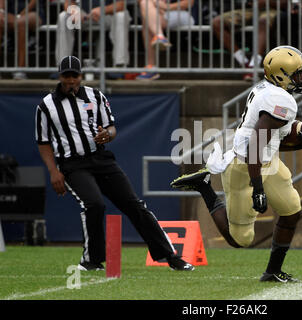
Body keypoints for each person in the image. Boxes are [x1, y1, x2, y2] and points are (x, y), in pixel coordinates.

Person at [35, 55, 194, 272]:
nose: (70, 80)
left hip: (100, 159)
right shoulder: (46, 106)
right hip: (72, 164)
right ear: (60, 76)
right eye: (66, 76)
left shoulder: (95, 96)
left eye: (74, 76)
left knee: (133, 204)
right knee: (94, 204)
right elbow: (43, 141)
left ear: (81, 76)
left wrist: (107, 135)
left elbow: (111, 127)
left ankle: (170, 256)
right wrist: (53, 171)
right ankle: (91, 260)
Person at [171, 46, 302, 282]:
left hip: (267, 160)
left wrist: (297, 129)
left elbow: (272, 132)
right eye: (298, 73)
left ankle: (272, 272)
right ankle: (205, 186)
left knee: (291, 210)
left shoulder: (270, 90)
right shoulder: (279, 99)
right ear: (281, 75)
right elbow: (257, 143)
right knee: (239, 240)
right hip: (247, 165)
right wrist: (257, 187)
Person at [212, 0, 283, 81]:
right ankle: (244, 62)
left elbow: (286, 3)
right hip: (251, 10)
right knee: (217, 22)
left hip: (273, 10)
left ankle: (254, 65)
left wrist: (266, 2)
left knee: (263, 21)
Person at [56, 0, 130, 70]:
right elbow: (68, 2)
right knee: (63, 17)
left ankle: (120, 66)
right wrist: (74, 10)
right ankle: (63, 66)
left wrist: (103, 10)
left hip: (108, 15)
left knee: (121, 15)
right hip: (82, 15)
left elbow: (121, 4)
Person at [137, 0, 195, 80]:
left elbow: (188, 3)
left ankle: (150, 67)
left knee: (148, 20)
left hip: (181, 13)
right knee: (145, 5)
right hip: (157, 12)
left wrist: (167, 7)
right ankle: (159, 36)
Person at [0, 0, 45, 80]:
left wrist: (20, 15)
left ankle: (20, 70)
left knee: (20, 23)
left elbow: (34, 2)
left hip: (33, 12)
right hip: (11, 14)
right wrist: (1, 12)